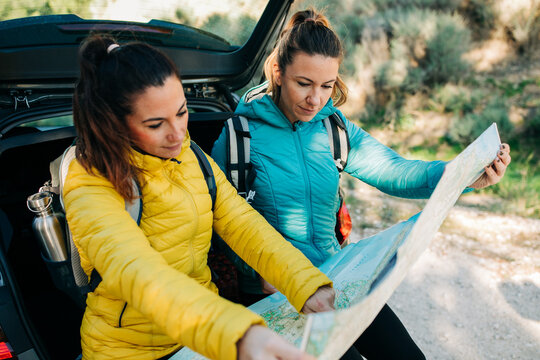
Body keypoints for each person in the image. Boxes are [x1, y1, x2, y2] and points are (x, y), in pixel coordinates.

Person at [211, 8, 512, 360]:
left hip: (336, 278)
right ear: (278, 72)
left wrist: (463, 175)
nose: (315, 99)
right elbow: (221, 223)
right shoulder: (239, 137)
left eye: (326, 86)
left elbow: (396, 171)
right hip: (273, 294)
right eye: (303, 84)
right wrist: (257, 271)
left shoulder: (333, 128)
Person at [64, 34, 336, 360]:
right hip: (129, 350)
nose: (178, 134)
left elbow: (242, 223)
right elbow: (136, 271)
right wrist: (238, 335)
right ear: (114, 124)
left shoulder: (192, 156)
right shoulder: (90, 182)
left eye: (181, 112)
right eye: (155, 124)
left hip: (201, 339)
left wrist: (305, 285)